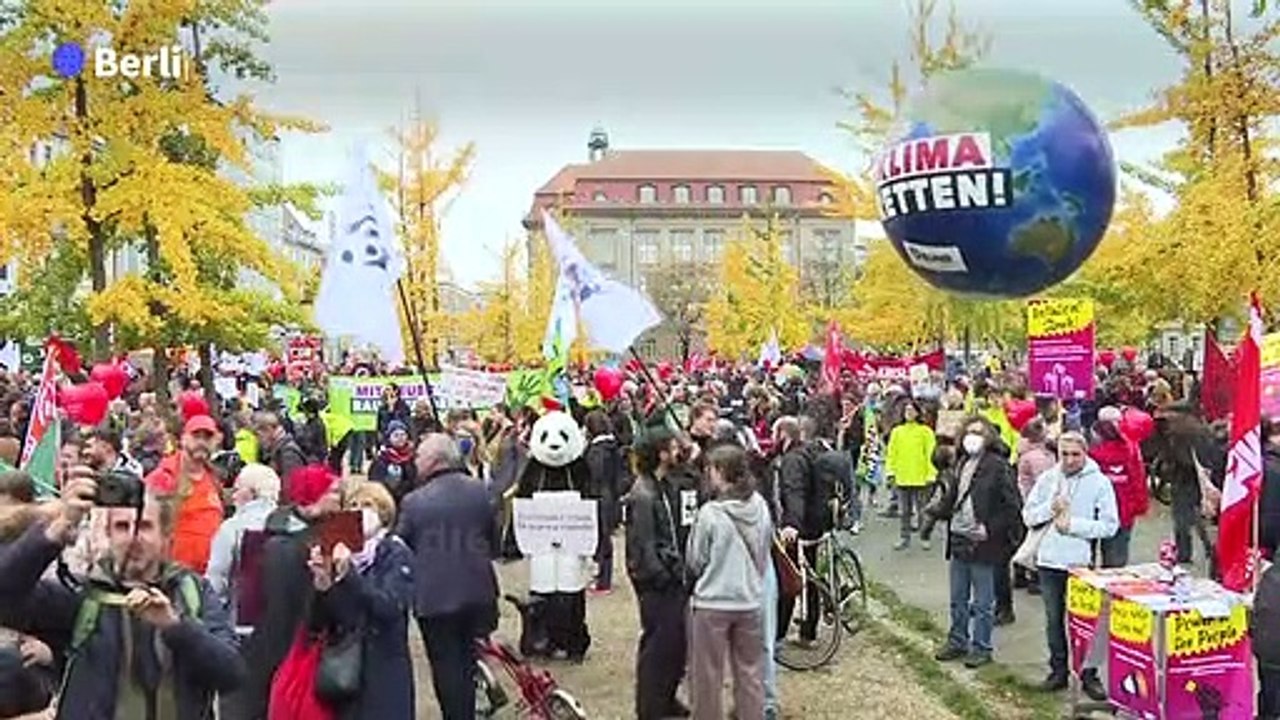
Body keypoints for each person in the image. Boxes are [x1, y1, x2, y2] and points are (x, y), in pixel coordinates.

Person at [0, 470, 245, 718]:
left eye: (145, 526)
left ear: (166, 538)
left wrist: (175, 627)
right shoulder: (84, 597)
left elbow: (231, 674)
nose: (132, 537)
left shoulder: (194, 593)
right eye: (121, 527)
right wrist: (55, 531)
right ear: (108, 535)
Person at [397, 434, 499, 720]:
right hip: (479, 591)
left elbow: (401, 546)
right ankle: (472, 700)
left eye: (418, 456)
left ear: (433, 460)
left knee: (446, 666)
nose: (415, 461)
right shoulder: (480, 491)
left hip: (435, 598)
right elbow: (494, 539)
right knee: (469, 656)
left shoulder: (413, 502)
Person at [238, 465, 344, 720]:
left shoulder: (276, 531)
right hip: (291, 646)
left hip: (290, 645)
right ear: (313, 495)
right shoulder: (280, 544)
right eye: (333, 492)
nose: (340, 498)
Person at [1022, 431, 1119, 697]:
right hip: (1049, 561)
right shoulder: (1048, 479)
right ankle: (1058, 671)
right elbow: (1028, 516)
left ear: (1085, 453)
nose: (1070, 459)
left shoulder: (1099, 482)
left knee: (1086, 623)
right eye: (1065, 454)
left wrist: (1074, 526)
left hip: (1080, 563)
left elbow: (1110, 525)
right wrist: (1050, 510)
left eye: (1075, 454)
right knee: (1054, 620)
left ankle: (1089, 674)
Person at [309, 481, 416, 720]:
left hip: (383, 669)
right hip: (346, 670)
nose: (359, 510)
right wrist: (323, 585)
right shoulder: (340, 552)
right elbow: (323, 622)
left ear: (384, 513)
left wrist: (350, 576)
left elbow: (389, 607)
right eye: (353, 505)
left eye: (368, 505)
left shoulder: (395, 552)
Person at [686, 444, 769, 720]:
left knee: (707, 675)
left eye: (710, 469)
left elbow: (696, 558)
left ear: (720, 472)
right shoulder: (760, 505)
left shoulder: (710, 513)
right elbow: (765, 546)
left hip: (712, 601)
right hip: (750, 599)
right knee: (750, 672)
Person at [931, 418, 1019, 669]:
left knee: (983, 602)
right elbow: (953, 498)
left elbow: (1012, 506)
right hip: (959, 537)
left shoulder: (998, 466)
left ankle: (982, 647)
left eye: (979, 433)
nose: (973, 437)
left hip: (984, 543)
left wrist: (990, 528)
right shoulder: (960, 462)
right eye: (969, 432)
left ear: (989, 437)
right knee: (958, 597)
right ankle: (957, 640)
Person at [624, 424, 692, 720]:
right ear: (661, 453)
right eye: (674, 446)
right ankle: (651, 707)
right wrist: (663, 577)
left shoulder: (662, 485)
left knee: (675, 644)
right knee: (658, 646)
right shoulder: (643, 494)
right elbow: (643, 546)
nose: (679, 449)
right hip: (658, 585)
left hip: (670, 578)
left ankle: (665, 698)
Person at [143, 414, 226, 574]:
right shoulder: (163, 477)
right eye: (196, 436)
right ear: (183, 439)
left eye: (207, 437)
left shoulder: (214, 479)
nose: (201, 442)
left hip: (206, 579)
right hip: (172, 577)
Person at [1089, 407, 1149, 568]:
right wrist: (1139, 505)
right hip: (1123, 510)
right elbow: (1138, 478)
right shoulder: (1131, 448)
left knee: (1086, 557)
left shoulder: (1089, 449)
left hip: (1091, 510)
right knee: (1116, 561)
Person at [885, 400, 938, 550]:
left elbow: (931, 454)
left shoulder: (925, 431)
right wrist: (890, 472)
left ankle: (924, 536)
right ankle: (904, 538)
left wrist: (931, 474)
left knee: (923, 510)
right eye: (906, 410)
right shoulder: (897, 431)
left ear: (917, 413)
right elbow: (891, 454)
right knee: (904, 512)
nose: (909, 413)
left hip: (921, 477)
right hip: (902, 477)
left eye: (912, 410)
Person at [584, 410, 623, 595]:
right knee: (602, 539)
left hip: (599, 497)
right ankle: (602, 576)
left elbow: (595, 474)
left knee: (602, 540)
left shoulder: (598, 451)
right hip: (609, 496)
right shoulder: (611, 446)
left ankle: (603, 581)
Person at [252, 411, 307, 500]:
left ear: (269, 429)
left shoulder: (288, 453)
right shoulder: (279, 450)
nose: (258, 441)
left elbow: (290, 489)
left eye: (259, 435)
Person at [368, 420, 418, 503]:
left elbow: (414, 479)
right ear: (389, 437)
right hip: (385, 500)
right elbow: (375, 481)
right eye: (396, 435)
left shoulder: (412, 456)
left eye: (403, 435)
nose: (400, 438)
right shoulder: (382, 458)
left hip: (407, 500)